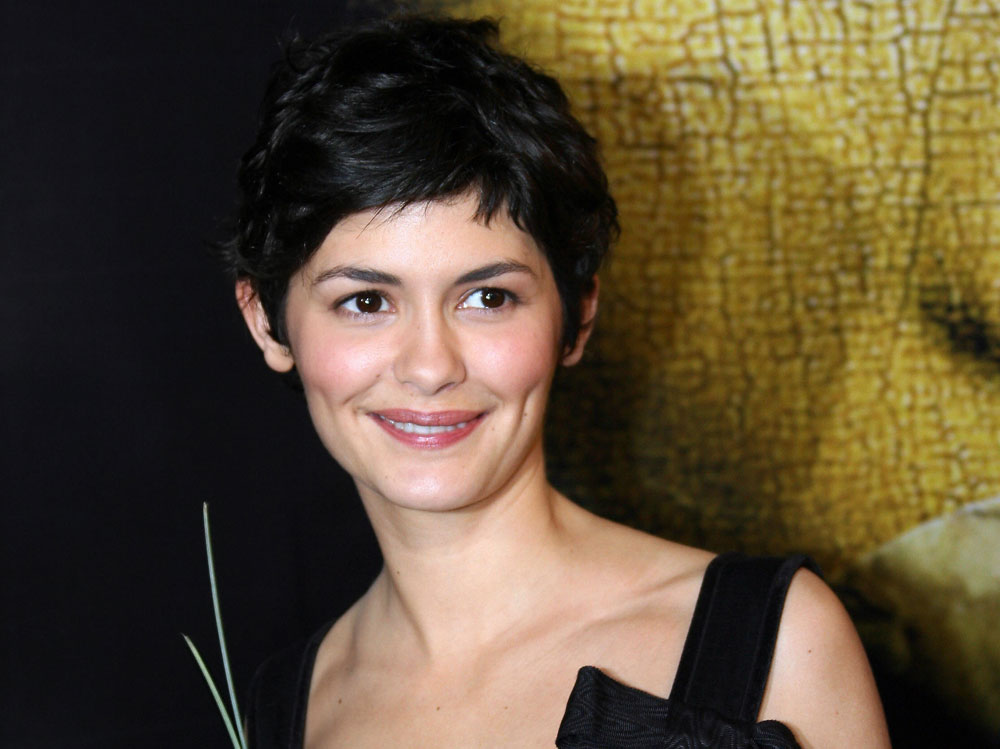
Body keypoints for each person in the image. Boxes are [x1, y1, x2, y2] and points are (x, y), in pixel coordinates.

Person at [220, 13, 890, 748]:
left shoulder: (777, 641)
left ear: (578, 315)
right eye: (367, 302)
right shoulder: (285, 710)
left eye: (488, 297)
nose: (431, 367)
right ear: (266, 322)